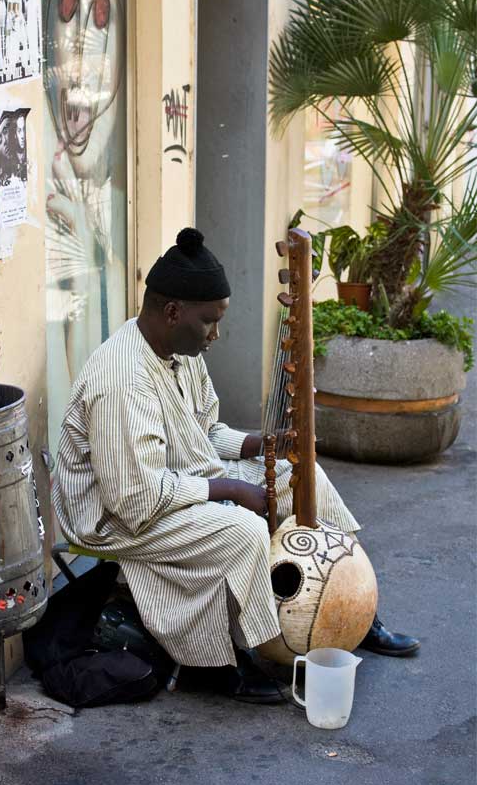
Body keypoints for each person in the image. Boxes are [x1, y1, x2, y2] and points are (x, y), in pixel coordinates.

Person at [54, 228, 419, 704]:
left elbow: (206, 434)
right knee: (240, 530)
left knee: (302, 476)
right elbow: (133, 497)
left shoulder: (179, 352)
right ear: (172, 312)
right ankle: (220, 663)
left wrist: (264, 443)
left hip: (173, 482)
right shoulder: (122, 378)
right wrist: (227, 490)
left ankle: (352, 613)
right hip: (114, 517)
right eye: (210, 322)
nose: (216, 333)